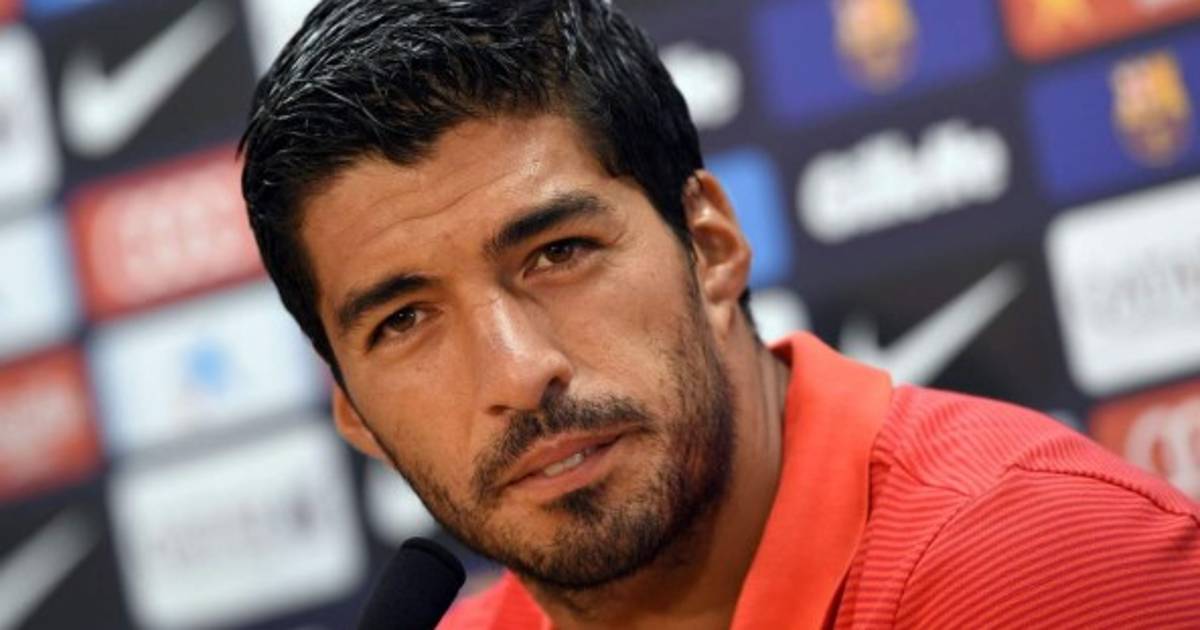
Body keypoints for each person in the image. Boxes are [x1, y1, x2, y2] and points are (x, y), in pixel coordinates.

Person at [239, 1, 1200, 627]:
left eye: (558, 254)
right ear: (354, 411)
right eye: (404, 321)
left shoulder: (1043, 565)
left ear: (710, 245)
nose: (517, 372)